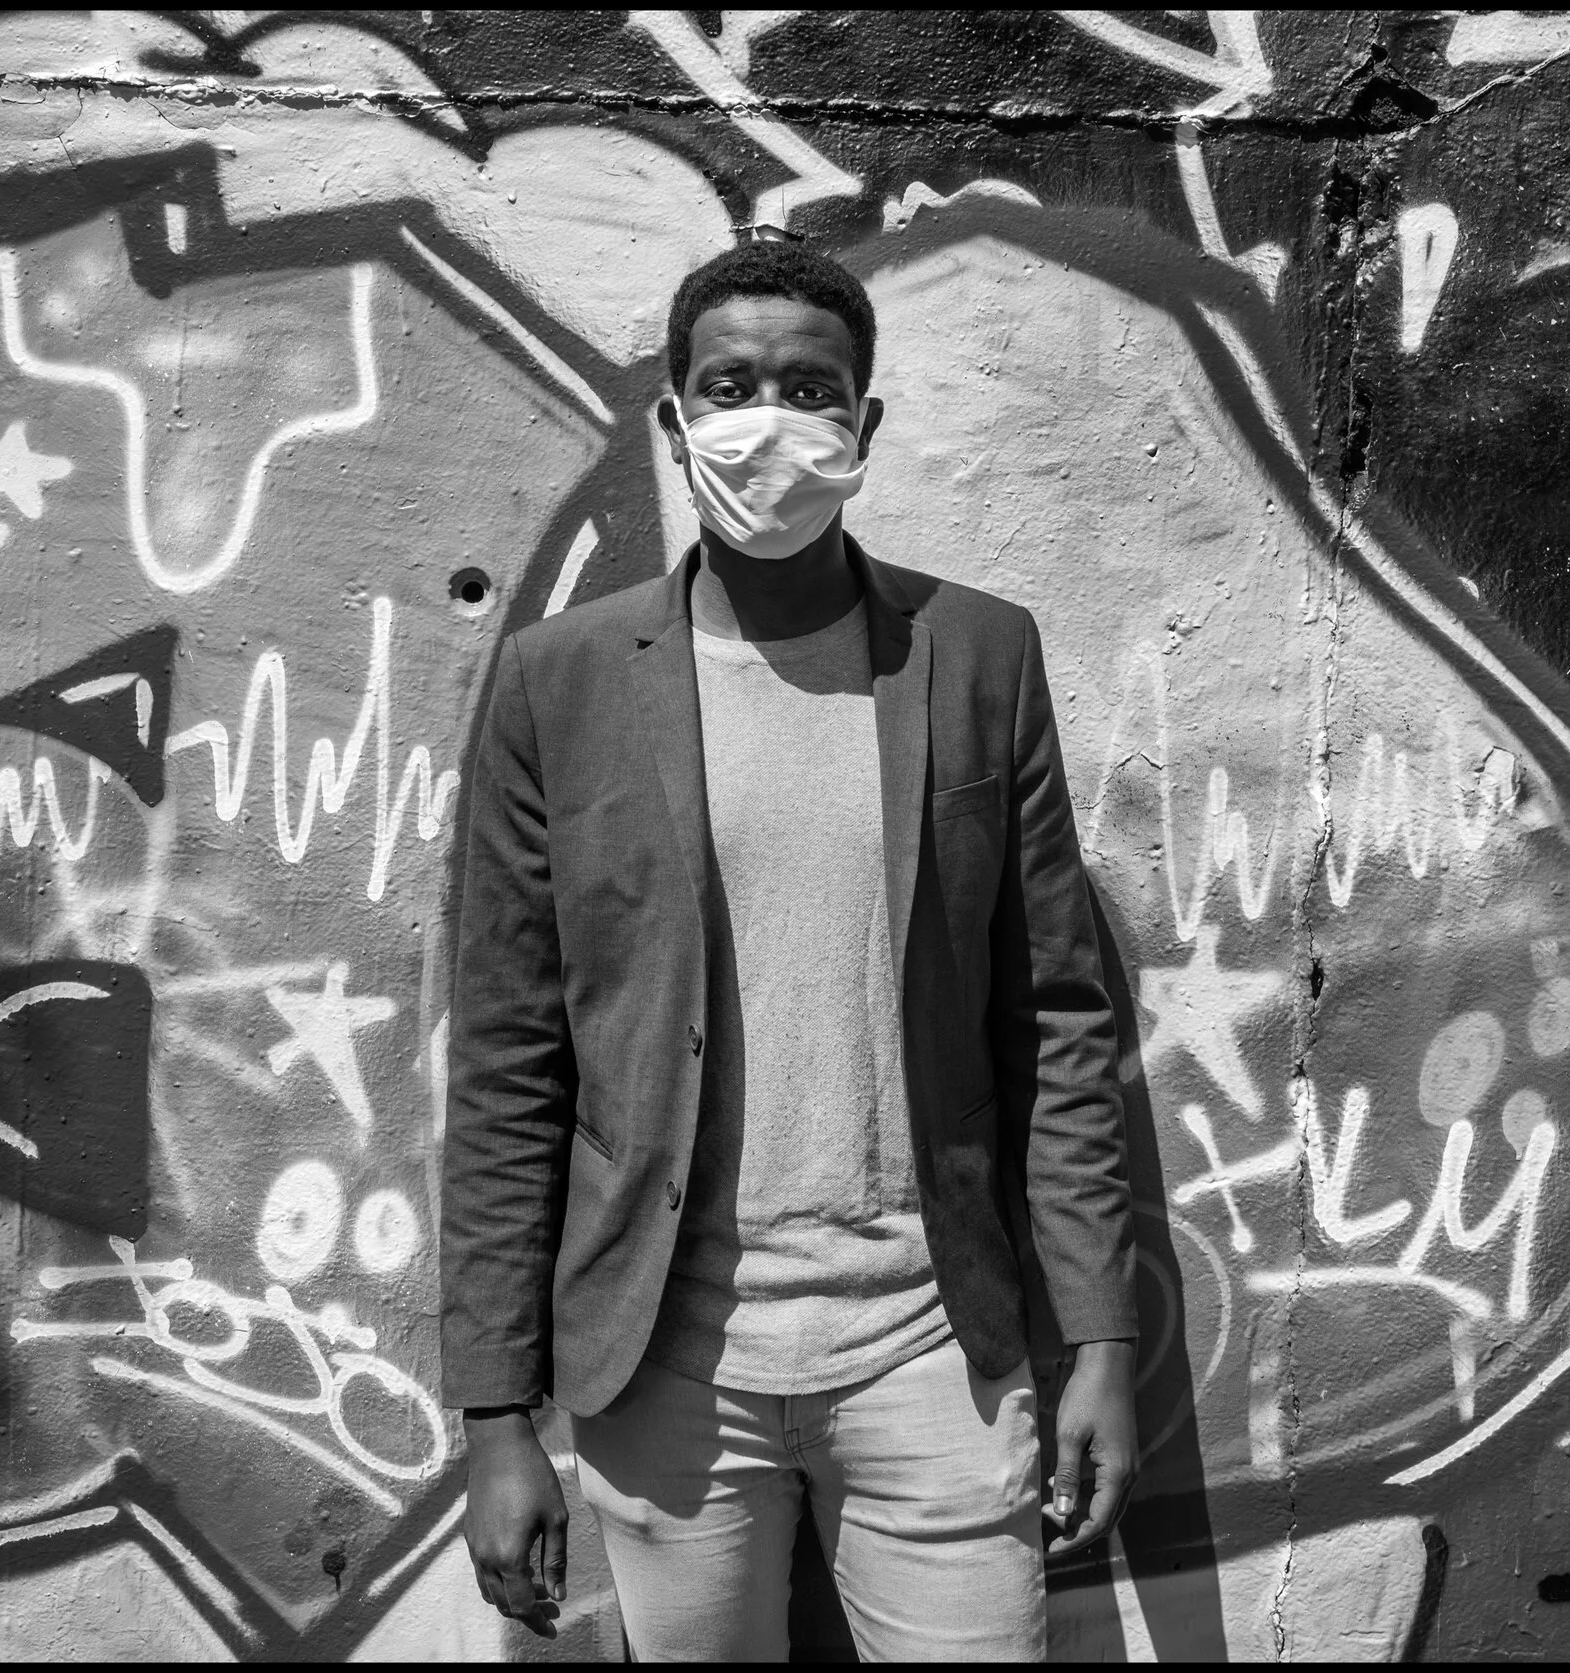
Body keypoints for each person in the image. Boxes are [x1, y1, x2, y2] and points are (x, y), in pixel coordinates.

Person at [440, 234, 1139, 1661]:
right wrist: (496, 1416)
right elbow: (513, 1062)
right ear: (676, 420)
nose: (770, 417)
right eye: (731, 382)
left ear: (864, 428)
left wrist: (1104, 1342)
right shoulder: (556, 683)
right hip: (665, 1362)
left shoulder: (978, 656)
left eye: (811, 387)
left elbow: (1058, 1018)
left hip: (938, 1347)